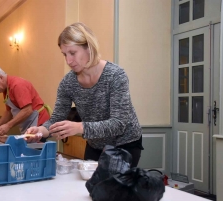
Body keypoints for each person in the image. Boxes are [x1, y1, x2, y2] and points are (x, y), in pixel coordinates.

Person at [26, 22, 143, 167]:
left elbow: (119, 123)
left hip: (125, 144)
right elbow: (56, 119)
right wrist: (41, 131)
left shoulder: (115, 75)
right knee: (90, 186)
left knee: (114, 188)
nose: (68, 61)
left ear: (88, 47)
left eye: (73, 53)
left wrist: (79, 127)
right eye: (65, 54)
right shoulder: (68, 83)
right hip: (95, 143)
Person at [0, 65, 51, 142]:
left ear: (1, 77)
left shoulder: (17, 85)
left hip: (39, 121)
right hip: (29, 123)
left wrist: (8, 125)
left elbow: (28, 110)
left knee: (35, 150)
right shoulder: (6, 90)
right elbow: (8, 112)